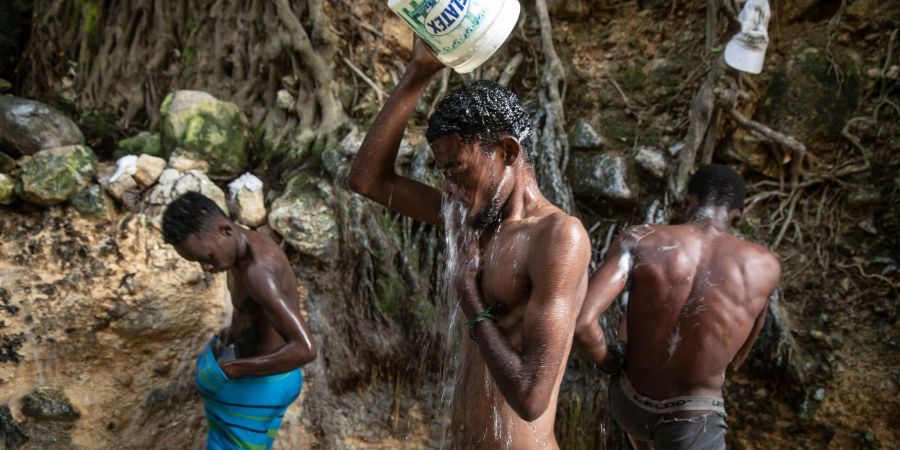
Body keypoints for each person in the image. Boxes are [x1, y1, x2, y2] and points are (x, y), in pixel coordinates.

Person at [348, 38, 591, 449]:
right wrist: (418, 73)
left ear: (507, 151)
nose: (450, 188)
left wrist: (471, 300)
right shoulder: (471, 218)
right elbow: (367, 180)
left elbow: (532, 397)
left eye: (457, 170)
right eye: (444, 174)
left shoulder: (558, 237)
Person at [574, 164, 781, 450]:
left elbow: (583, 323)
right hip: (691, 417)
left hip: (629, 401)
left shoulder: (638, 240)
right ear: (737, 216)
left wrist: (609, 361)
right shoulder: (765, 265)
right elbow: (736, 360)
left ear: (687, 202)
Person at [161, 192, 317, 450]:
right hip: (265, 380)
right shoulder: (239, 251)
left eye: (207, 257)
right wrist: (230, 335)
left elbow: (305, 349)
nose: (205, 268)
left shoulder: (258, 271)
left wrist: (232, 370)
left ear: (224, 230)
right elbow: (251, 310)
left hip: (266, 383)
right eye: (198, 261)